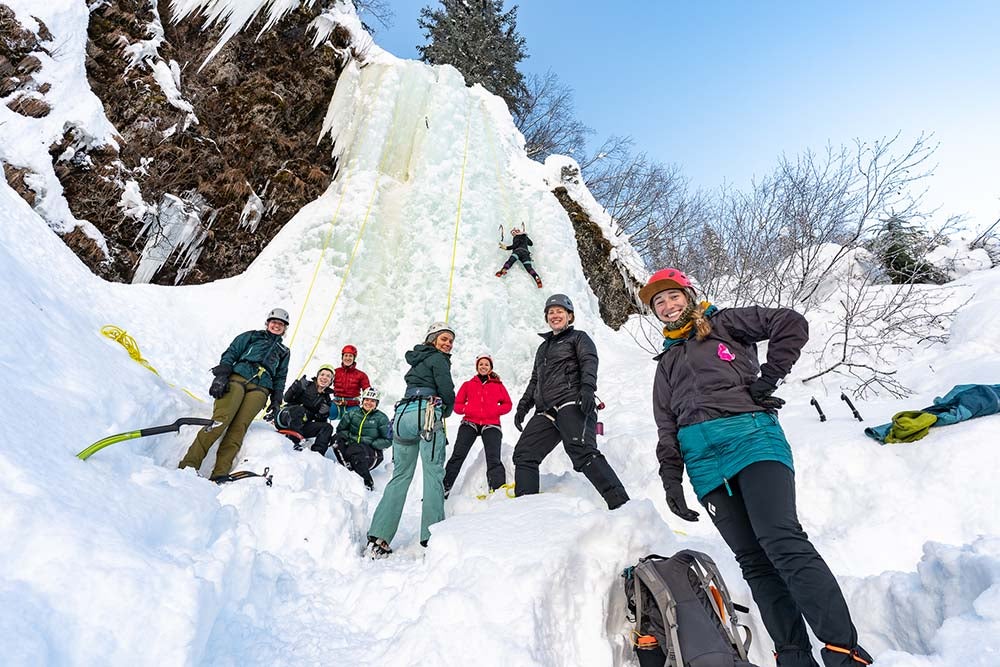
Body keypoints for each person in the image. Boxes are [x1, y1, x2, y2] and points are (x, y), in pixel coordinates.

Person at [643, 267, 874, 667]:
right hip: (704, 464)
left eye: (672, 296)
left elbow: (790, 323)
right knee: (753, 561)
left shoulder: (724, 323)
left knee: (782, 540)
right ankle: (793, 656)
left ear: (689, 294)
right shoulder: (665, 364)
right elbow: (667, 426)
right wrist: (671, 481)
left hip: (751, 438)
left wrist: (767, 380)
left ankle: (843, 652)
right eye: (657, 302)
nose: (666, 306)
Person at [511, 294, 629, 509]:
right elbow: (535, 380)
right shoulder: (543, 348)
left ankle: (622, 505)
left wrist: (587, 389)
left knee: (581, 450)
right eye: (551, 312)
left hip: (572, 401)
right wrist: (523, 406)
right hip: (546, 409)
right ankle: (524, 512)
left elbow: (589, 361)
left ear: (569, 316)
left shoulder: (578, 338)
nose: (555, 315)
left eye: (560, 311)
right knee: (524, 454)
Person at [367, 321, 456, 557]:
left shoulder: (417, 359)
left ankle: (379, 536)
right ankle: (432, 536)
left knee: (400, 476)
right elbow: (447, 391)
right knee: (433, 472)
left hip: (403, 415)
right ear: (432, 339)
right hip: (426, 413)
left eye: (450, 341)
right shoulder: (438, 359)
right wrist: (446, 410)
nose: (447, 344)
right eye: (443, 338)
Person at [179, 308, 290, 481]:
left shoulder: (284, 351)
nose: (277, 325)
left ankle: (220, 474)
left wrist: (276, 400)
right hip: (237, 378)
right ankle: (188, 465)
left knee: (238, 429)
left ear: (284, 329)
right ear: (268, 323)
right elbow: (232, 352)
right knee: (220, 421)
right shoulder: (252, 336)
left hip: (261, 388)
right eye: (274, 322)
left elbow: (281, 376)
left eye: (281, 324)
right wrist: (222, 375)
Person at [443, 353, 512, 497]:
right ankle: (443, 489)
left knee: (493, 457)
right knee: (458, 455)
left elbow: (508, 404)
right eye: (481, 364)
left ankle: (497, 491)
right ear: (477, 367)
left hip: (491, 423)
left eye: (486, 364)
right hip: (470, 422)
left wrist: (494, 411)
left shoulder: (498, 386)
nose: (483, 366)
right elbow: (457, 405)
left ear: (490, 367)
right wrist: (468, 410)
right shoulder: (468, 385)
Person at [333, 387, 391, 490]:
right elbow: (340, 430)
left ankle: (367, 481)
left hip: (372, 454)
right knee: (336, 439)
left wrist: (372, 443)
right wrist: (351, 437)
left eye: (372, 401)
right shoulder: (352, 414)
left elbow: (388, 440)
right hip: (352, 449)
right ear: (362, 400)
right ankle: (347, 468)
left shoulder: (381, 418)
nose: (369, 403)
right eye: (367, 399)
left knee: (356, 449)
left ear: (376, 403)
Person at [278, 363, 335, 455]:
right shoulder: (306, 385)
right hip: (286, 417)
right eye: (322, 374)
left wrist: (322, 414)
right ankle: (295, 441)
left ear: (331, 381)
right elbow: (286, 398)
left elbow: (320, 421)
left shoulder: (326, 399)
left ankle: (317, 454)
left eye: (328, 376)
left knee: (327, 427)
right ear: (317, 376)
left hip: (301, 425)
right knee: (299, 409)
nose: (324, 378)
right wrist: (295, 387)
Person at [330, 344, 371, 421]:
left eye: (350, 356)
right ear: (342, 357)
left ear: (354, 358)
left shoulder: (361, 375)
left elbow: (367, 392)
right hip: (337, 403)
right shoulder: (335, 372)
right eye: (346, 355)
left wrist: (367, 405)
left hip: (352, 404)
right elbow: (325, 384)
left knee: (354, 419)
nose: (348, 358)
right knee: (324, 411)